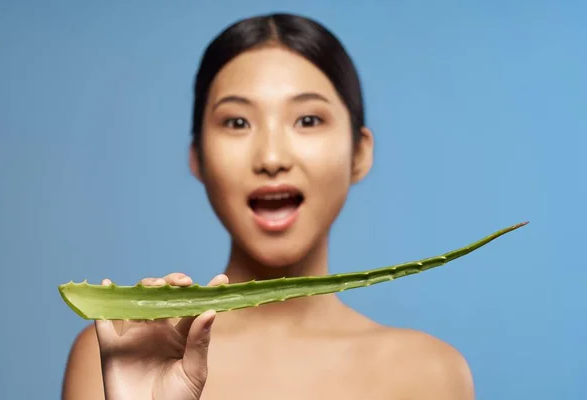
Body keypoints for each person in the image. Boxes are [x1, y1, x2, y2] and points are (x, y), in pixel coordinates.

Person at [62, 12, 475, 400]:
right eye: (237, 122)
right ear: (197, 157)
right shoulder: (115, 354)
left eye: (308, 120)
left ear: (359, 153)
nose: (272, 157)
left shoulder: (431, 373)